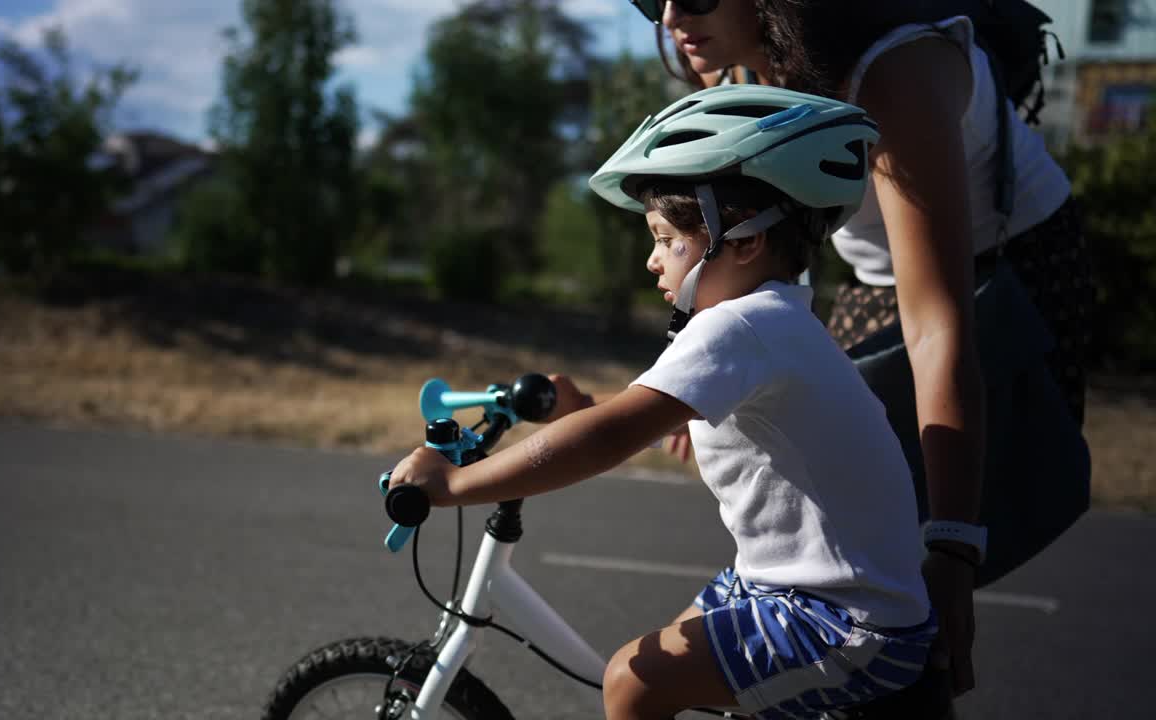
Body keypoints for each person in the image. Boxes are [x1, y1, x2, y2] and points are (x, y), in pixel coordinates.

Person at [389, 85, 939, 720]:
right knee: (665, 663)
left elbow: (608, 439)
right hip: (800, 588)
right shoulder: (777, 320)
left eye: (663, 236)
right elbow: (653, 414)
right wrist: (588, 405)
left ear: (745, 240)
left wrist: (453, 484)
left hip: (846, 619)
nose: (652, 260)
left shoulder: (739, 325)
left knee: (633, 681)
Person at [602, 0, 1097, 699]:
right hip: (877, 282)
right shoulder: (736, 70)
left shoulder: (892, 70)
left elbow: (937, 324)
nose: (674, 15)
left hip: (1008, 275)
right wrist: (697, 381)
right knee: (820, 546)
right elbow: (760, 251)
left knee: (900, 590)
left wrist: (954, 546)